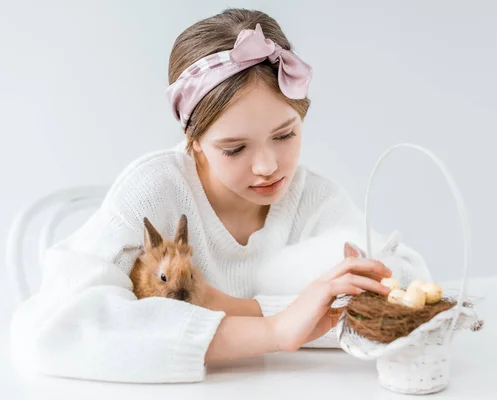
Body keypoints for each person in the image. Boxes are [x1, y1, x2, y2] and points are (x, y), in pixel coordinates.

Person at [10, 8, 431, 383]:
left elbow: (409, 288)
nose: (267, 166)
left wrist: (239, 308)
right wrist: (276, 328)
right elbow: (54, 327)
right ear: (193, 140)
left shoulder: (311, 196)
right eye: (235, 148)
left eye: (284, 135)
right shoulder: (154, 190)